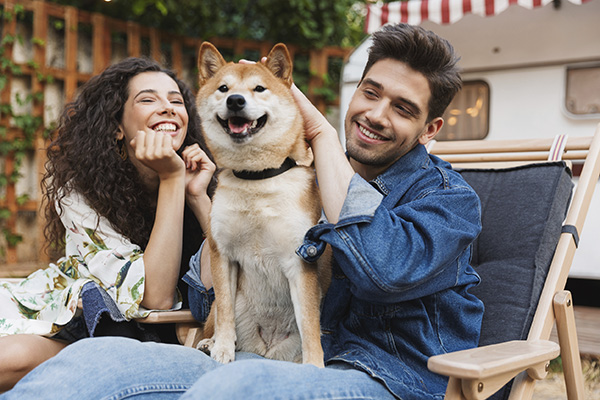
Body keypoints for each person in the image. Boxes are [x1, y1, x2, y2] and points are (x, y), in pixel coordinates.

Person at [1, 23, 483, 400]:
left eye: (402, 108)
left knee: (230, 390)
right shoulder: (298, 176)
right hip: (255, 354)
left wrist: (323, 139)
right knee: (91, 359)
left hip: (381, 376)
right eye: (371, 93)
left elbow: (381, 270)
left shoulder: (448, 200)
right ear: (355, 93)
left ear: (429, 128)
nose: (376, 115)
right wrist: (211, 201)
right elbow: (203, 296)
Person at [0, 58, 215, 391]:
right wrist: (170, 177)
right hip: (78, 319)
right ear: (117, 126)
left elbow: (160, 298)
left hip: (150, 338)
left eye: (176, 101)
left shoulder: (207, 178)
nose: (168, 108)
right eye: (148, 99)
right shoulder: (80, 189)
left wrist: (193, 194)